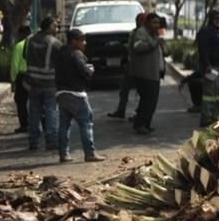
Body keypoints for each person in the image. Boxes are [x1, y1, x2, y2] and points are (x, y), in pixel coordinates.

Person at [54, 29, 105, 163]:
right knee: (86, 122)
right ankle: (90, 153)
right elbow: (84, 71)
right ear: (74, 41)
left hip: (61, 93)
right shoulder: (76, 54)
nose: (85, 43)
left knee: (64, 125)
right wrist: (90, 70)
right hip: (76, 94)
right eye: (82, 40)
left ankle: (63, 154)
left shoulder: (61, 52)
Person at [25, 16, 61, 151]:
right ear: (49, 26)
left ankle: (33, 141)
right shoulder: (55, 43)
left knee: (34, 112)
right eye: (55, 26)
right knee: (51, 111)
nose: (57, 28)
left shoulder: (31, 40)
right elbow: (61, 61)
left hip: (33, 82)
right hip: (50, 83)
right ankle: (51, 141)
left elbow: (25, 57)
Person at [129, 12, 165, 135]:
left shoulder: (154, 34)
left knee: (152, 101)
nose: (157, 25)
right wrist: (154, 42)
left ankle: (146, 124)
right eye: (154, 22)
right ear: (148, 23)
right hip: (145, 73)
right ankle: (139, 124)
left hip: (154, 73)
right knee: (147, 100)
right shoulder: (141, 32)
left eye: (158, 23)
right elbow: (138, 47)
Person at [107, 13, 145, 119]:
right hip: (131, 63)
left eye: (141, 20)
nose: (138, 22)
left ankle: (140, 114)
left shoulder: (144, 33)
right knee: (124, 88)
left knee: (141, 91)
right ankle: (121, 110)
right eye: (137, 20)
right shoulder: (134, 32)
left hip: (140, 66)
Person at [196, 9, 219, 127]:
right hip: (212, 68)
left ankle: (213, 116)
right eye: (216, 19)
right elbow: (203, 50)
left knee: (216, 94)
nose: (218, 21)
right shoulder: (206, 32)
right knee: (209, 94)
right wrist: (207, 65)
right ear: (211, 20)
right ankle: (206, 118)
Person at [9, 24, 32, 133]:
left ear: (22, 34)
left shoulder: (19, 46)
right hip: (35, 75)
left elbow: (14, 65)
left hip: (22, 76)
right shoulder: (35, 44)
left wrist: (13, 80)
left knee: (21, 101)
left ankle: (25, 124)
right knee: (37, 101)